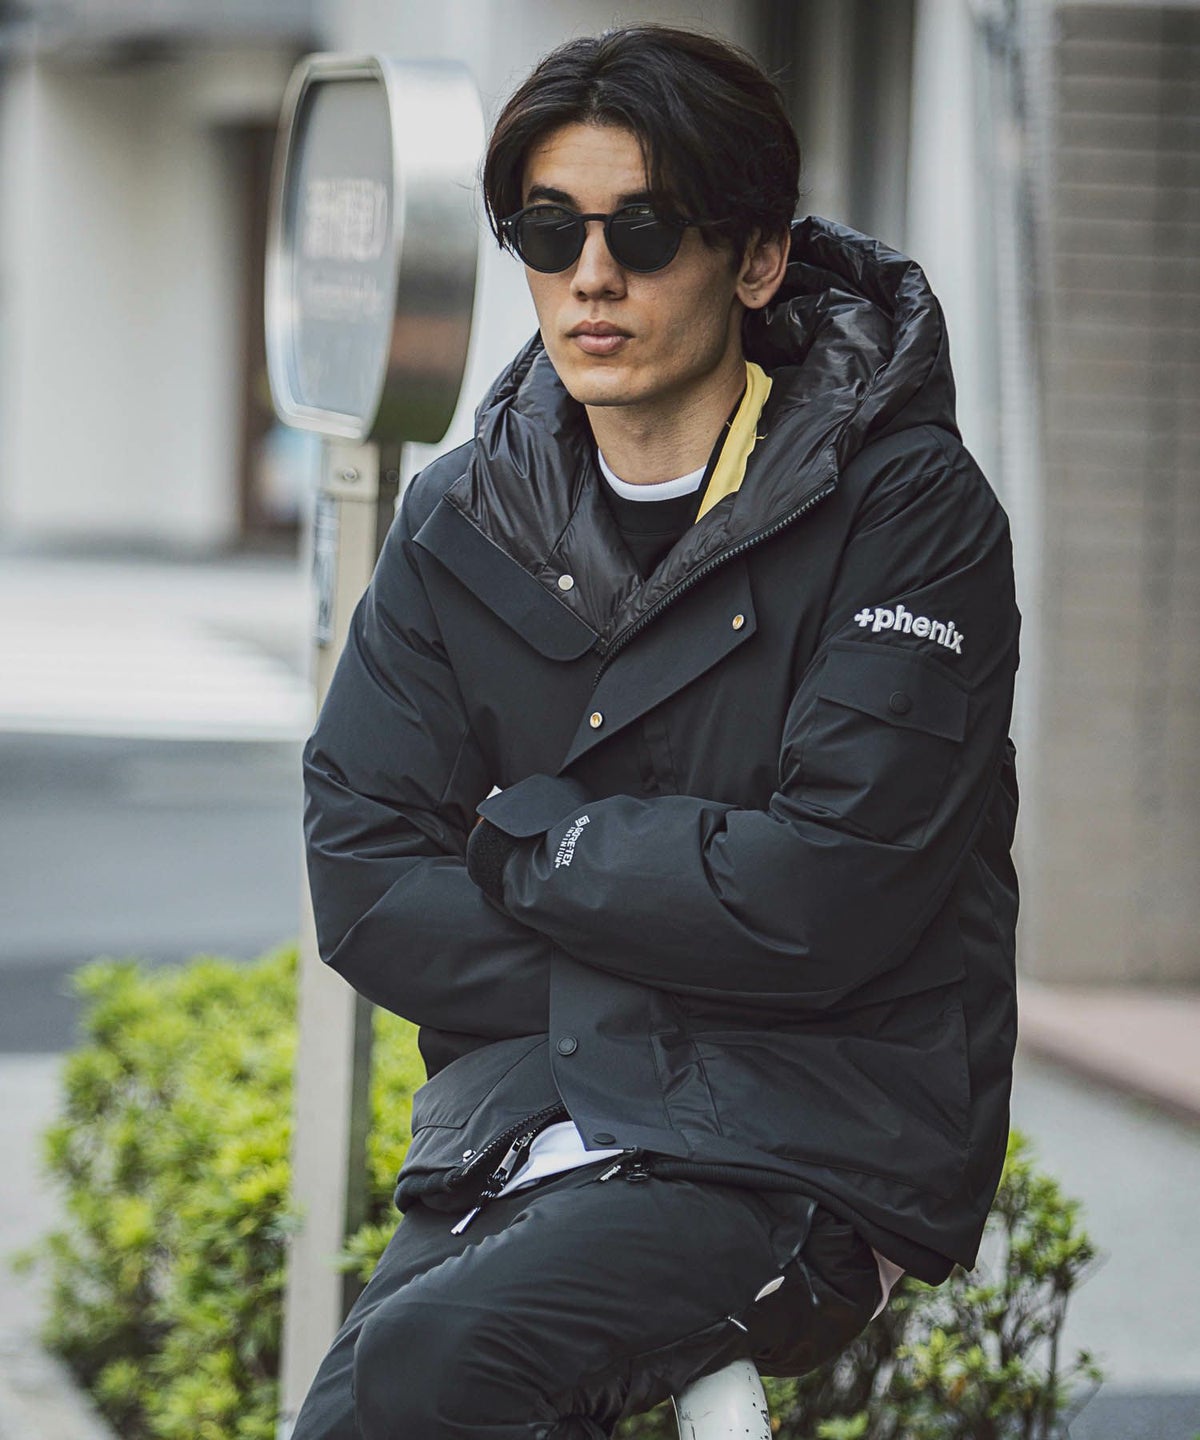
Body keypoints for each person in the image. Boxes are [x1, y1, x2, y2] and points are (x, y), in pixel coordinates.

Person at [291, 24, 1020, 1440]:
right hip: (536, 1113)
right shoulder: (461, 517)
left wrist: (530, 845)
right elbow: (368, 879)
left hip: (809, 1132)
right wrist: (666, 938)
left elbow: (830, 892)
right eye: (548, 231)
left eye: (644, 229)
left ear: (755, 259)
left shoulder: (907, 510)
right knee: (361, 1409)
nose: (591, 276)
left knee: (434, 1365)